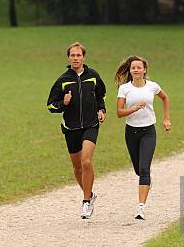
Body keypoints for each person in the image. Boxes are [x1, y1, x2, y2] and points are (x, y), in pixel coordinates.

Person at [47, 42, 107, 219]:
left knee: (86, 162)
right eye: (72, 55)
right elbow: (50, 105)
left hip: (90, 124)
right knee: (77, 167)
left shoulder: (93, 76)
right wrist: (63, 104)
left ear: (83, 57)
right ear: (68, 58)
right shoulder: (62, 80)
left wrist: (101, 110)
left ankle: (86, 201)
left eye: (78, 55)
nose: (75, 58)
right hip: (70, 127)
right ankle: (90, 194)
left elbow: (100, 96)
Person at [115, 56, 170, 220]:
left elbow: (165, 98)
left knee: (145, 169)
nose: (136, 70)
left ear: (144, 70)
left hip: (148, 131)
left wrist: (166, 118)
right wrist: (134, 109)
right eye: (133, 68)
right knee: (139, 170)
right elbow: (119, 113)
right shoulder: (124, 88)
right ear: (130, 70)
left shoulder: (153, 86)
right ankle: (146, 181)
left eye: (139, 67)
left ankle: (141, 207)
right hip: (131, 132)